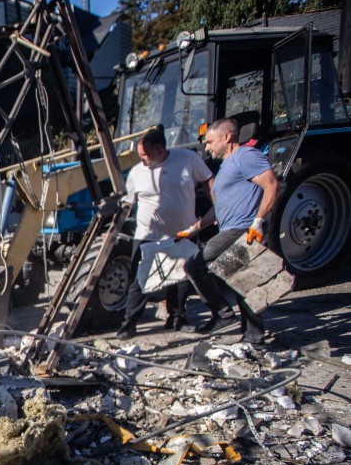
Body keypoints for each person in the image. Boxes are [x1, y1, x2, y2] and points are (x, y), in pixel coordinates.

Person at [176, 117, 279, 345]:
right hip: (231, 228)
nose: (207, 147)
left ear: (227, 137)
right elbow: (218, 207)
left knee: (194, 264)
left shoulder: (246, 156)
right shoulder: (225, 168)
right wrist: (194, 229)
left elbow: (271, 184)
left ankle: (223, 314)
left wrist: (258, 221)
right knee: (241, 283)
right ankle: (253, 336)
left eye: (210, 141)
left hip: (241, 228)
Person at [116, 127, 213, 339]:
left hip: (183, 232)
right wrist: (113, 228)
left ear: (160, 150)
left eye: (144, 154)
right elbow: (126, 204)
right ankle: (129, 324)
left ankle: (177, 318)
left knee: (180, 277)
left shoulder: (188, 159)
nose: (141, 159)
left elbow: (208, 181)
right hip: (147, 235)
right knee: (139, 280)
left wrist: (217, 207)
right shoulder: (137, 173)